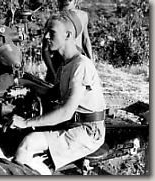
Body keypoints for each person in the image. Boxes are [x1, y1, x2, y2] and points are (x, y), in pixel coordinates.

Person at [10, 12, 106, 175]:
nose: (46, 36)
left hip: (88, 131)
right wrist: (24, 83)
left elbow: (66, 112)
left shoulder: (81, 65)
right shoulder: (66, 65)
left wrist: (25, 122)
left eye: (52, 32)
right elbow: (52, 93)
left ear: (68, 35)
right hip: (75, 125)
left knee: (29, 142)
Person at [42, 0, 93, 84]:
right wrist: (52, 72)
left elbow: (86, 39)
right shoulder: (55, 20)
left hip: (76, 59)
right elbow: (45, 49)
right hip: (58, 60)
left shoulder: (82, 16)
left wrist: (91, 62)